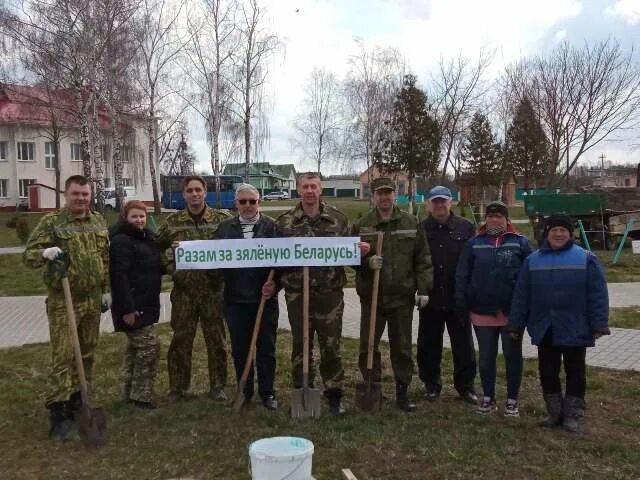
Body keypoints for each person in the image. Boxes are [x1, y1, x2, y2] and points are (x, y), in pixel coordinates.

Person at [23, 175, 111, 441]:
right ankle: (58, 412)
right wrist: (44, 253)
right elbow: (28, 256)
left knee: (87, 353)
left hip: (92, 299)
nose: (81, 199)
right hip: (64, 300)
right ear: (66, 194)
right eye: (76, 194)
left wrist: (105, 289)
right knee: (63, 356)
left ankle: (78, 400)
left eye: (85, 194)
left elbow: (105, 257)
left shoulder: (97, 220)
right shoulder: (52, 222)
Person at [507, 214, 610, 433]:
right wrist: (515, 323)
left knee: (575, 370)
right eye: (554, 230)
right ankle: (554, 412)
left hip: (575, 326)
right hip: (545, 326)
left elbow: (597, 294)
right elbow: (521, 295)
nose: (559, 233)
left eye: (563, 230)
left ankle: (572, 414)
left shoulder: (586, 258)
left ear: (570, 233)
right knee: (547, 371)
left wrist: (599, 323)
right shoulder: (532, 260)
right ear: (548, 232)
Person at [351, 177, 433, 412]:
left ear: (395, 194)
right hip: (372, 297)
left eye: (389, 192)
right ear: (373, 196)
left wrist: (423, 288)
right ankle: (371, 387)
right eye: (380, 193)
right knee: (368, 346)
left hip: (401, 297)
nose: (384, 197)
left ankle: (402, 391)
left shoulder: (411, 222)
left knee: (402, 347)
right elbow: (349, 257)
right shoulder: (363, 225)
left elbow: (423, 258)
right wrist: (366, 262)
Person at [275, 172, 352, 415]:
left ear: (321, 189)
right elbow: (275, 257)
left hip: (329, 293)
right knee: (301, 343)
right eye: (305, 186)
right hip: (297, 293)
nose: (309, 191)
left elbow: (352, 251)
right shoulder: (285, 222)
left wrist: (361, 250)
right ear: (299, 190)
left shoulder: (337, 219)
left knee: (331, 344)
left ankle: (334, 394)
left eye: (314, 186)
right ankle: (303, 388)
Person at [155, 175, 232, 402]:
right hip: (184, 292)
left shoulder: (222, 219)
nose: (195, 194)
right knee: (181, 340)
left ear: (205, 192)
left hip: (213, 291)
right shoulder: (172, 222)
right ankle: (178, 388)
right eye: (190, 190)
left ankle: (218, 386)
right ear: (184, 194)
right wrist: (171, 264)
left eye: (198, 190)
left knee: (217, 341)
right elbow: (156, 247)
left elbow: (234, 246)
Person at [455, 201, 532, 417]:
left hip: (511, 313)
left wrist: (527, 307)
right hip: (481, 311)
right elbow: (462, 274)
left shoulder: (520, 243)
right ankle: (488, 397)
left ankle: (512, 400)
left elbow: (530, 276)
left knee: (512, 356)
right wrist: (461, 301)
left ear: (507, 219)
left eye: (499, 216)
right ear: (485, 219)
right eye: (491, 216)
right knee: (486, 357)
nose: (494, 219)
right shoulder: (474, 243)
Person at [213, 184, 279, 410]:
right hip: (235, 300)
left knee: (267, 348)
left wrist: (275, 284)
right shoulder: (224, 229)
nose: (248, 206)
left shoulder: (272, 227)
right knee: (240, 349)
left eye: (253, 201)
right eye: (243, 202)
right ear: (236, 204)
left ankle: (268, 392)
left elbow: (284, 260)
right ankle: (245, 389)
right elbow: (211, 258)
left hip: (265, 300)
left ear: (259, 202)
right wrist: (183, 250)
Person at [417, 186, 478, 404]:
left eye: (443, 201)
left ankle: (465, 387)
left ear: (450, 202)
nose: (439, 205)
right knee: (429, 344)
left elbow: (474, 261)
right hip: (431, 298)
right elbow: (417, 261)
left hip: (457, 298)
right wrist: (420, 289)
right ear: (428, 205)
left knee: (463, 345)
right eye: (435, 202)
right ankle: (431, 385)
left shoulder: (466, 227)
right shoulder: (421, 228)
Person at [109, 200, 163, 409]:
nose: (139, 220)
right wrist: (128, 309)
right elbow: (119, 276)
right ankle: (142, 397)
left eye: (142, 216)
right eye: (134, 216)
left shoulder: (147, 238)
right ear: (126, 218)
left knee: (135, 350)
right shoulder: (122, 241)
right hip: (132, 305)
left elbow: (155, 267)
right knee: (150, 347)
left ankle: (129, 393)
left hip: (147, 302)